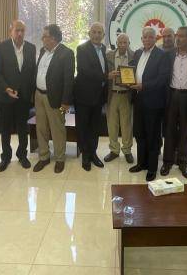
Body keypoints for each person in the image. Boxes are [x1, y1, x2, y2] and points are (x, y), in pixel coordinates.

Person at [0, 20, 37, 171]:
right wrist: (6, 89)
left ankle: (22, 155)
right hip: (6, 96)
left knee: (23, 128)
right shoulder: (1, 47)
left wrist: (31, 92)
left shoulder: (31, 48)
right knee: (5, 129)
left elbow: (32, 71)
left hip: (24, 97)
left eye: (22, 30)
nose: (20, 33)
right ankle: (5, 157)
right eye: (17, 30)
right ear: (10, 31)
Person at [129, 26, 172, 181]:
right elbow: (130, 71)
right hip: (138, 100)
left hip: (153, 101)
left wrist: (144, 86)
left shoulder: (162, 55)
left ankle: (152, 168)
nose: (147, 39)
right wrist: (123, 77)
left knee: (153, 136)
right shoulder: (138, 53)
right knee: (139, 133)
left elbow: (162, 79)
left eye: (150, 37)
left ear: (155, 38)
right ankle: (141, 163)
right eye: (145, 37)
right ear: (141, 39)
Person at [33, 24, 75, 174]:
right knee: (41, 128)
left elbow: (69, 80)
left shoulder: (66, 53)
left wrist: (65, 102)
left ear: (53, 38)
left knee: (58, 129)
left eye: (44, 36)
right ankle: (44, 156)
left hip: (56, 98)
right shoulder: (42, 51)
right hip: (39, 95)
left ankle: (59, 158)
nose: (42, 38)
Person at [161, 26, 187, 179]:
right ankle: (167, 162)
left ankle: (183, 163)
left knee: (185, 131)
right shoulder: (169, 54)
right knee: (169, 129)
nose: (178, 38)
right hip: (171, 95)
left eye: (182, 36)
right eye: (177, 35)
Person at [74, 22, 108, 171]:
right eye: (94, 32)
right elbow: (84, 70)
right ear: (89, 34)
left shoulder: (104, 49)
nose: (96, 35)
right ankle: (85, 155)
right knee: (83, 126)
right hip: (84, 95)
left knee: (95, 127)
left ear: (103, 35)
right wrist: (106, 76)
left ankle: (93, 153)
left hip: (98, 96)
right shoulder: (82, 49)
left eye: (99, 32)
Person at [104, 33, 135, 164]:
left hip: (126, 95)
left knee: (127, 125)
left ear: (129, 43)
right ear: (116, 43)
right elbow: (102, 73)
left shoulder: (134, 56)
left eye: (125, 42)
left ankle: (127, 150)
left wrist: (132, 82)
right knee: (112, 124)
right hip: (112, 95)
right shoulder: (108, 56)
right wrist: (108, 75)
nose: (122, 45)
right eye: (120, 42)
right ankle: (114, 150)